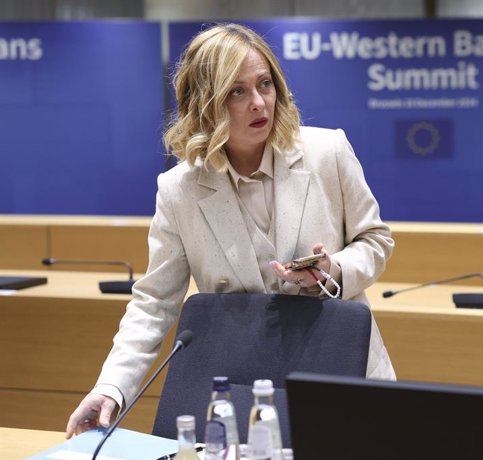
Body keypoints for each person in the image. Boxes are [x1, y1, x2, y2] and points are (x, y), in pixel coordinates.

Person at [65, 23, 395, 438]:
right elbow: (153, 302)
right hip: (242, 388)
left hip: (338, 368)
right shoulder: (179, 189)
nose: (259, 103)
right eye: (237, 91)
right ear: (206, 103)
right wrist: (111, 387)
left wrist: (335, 269)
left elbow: (376, 240)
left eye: (265, 84)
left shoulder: (327, 151)